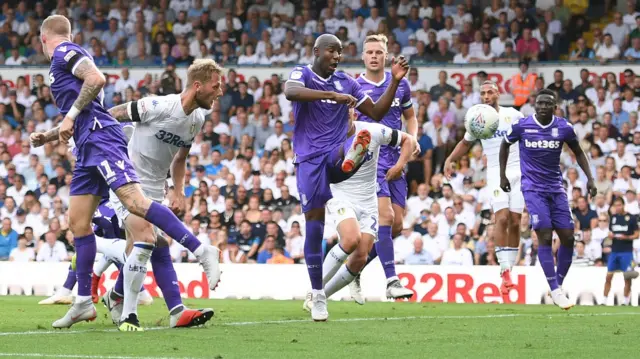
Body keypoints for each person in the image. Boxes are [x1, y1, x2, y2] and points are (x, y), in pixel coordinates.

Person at [35, 15, 220, 330]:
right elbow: (87, 111)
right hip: (87, 141)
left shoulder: (64, 51)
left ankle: (201, 250)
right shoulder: (65, 60)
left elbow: (96, 80)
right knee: (78, 223)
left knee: (137, 210)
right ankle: (83, 302)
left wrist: (69, 118)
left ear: (43, 38)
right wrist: (51, 135)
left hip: (100, 139)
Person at [283, 33, 408, 321]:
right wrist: (331, 96)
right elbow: (291, 92)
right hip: (308, 159)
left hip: (335, 152)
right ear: (317, 51)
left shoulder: (347, 81)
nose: (337, 56)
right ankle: (317, 295)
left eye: (340, 52)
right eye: (332, 51)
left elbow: (376, 111)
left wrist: (395, 82)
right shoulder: (303, 74)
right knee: (314, 226)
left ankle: (352, 160)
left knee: (357, 140)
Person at [305, 109, 415, 315]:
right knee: (350, 239)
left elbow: (408, 140)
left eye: (345, 115)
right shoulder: (324, 141)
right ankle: (316, 292)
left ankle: (321, 297)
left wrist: (400, 165)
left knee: (359, 258)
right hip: (341, 197)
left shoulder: (373, 131)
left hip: (369, 201)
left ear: (353, 114)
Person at [499, 89, 596, 310]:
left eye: (548, 104)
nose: (543, 106)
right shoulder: (523, 125)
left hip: (556, 188)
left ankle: (557, 286)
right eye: (540, 103)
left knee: (569, 238)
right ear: (535, 105)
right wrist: (502, 175)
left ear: (555, 106)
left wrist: (590, 179)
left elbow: (579, 152)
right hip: (532, 189)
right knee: (543, 232)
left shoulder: (563, 127)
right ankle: (555, 289)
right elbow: (505, 144)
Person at [346, 34, 418, 302]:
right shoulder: (355, 86)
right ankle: (392, 281)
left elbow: (410, 118)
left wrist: (413, 138)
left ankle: (356, 267)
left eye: (379, 52)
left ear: (386, 56)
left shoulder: (401, 85)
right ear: (363, 57)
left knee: (397, 226)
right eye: (369, 52)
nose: (374, 56)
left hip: (398, 157)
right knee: (385, 217)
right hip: (370, 159)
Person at [444, 81, 524, 294]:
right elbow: (465, 142)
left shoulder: (514, 115)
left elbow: (528, 136)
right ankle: (504, 270)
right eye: (483, 93)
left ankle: (510, 268)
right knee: (502, 218)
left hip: (518, 170)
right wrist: (450, 159)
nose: (486, 96)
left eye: (490, 92)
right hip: (496, 172)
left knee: (516, 222)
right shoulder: (477, 118)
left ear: (498, 93)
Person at [602, 197, 638, 306]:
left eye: (619, 205)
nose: (617, 208)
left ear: (623, 205)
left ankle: (626, 301)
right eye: (615, 205)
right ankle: (604, 300)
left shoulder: (631, 218)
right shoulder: (613, 218)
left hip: (626, 251)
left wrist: (625, 237)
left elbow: (637, 234)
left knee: (627, 277)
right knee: (608, 276)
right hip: (615, 250)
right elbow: (611, 232)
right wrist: (610, 235)